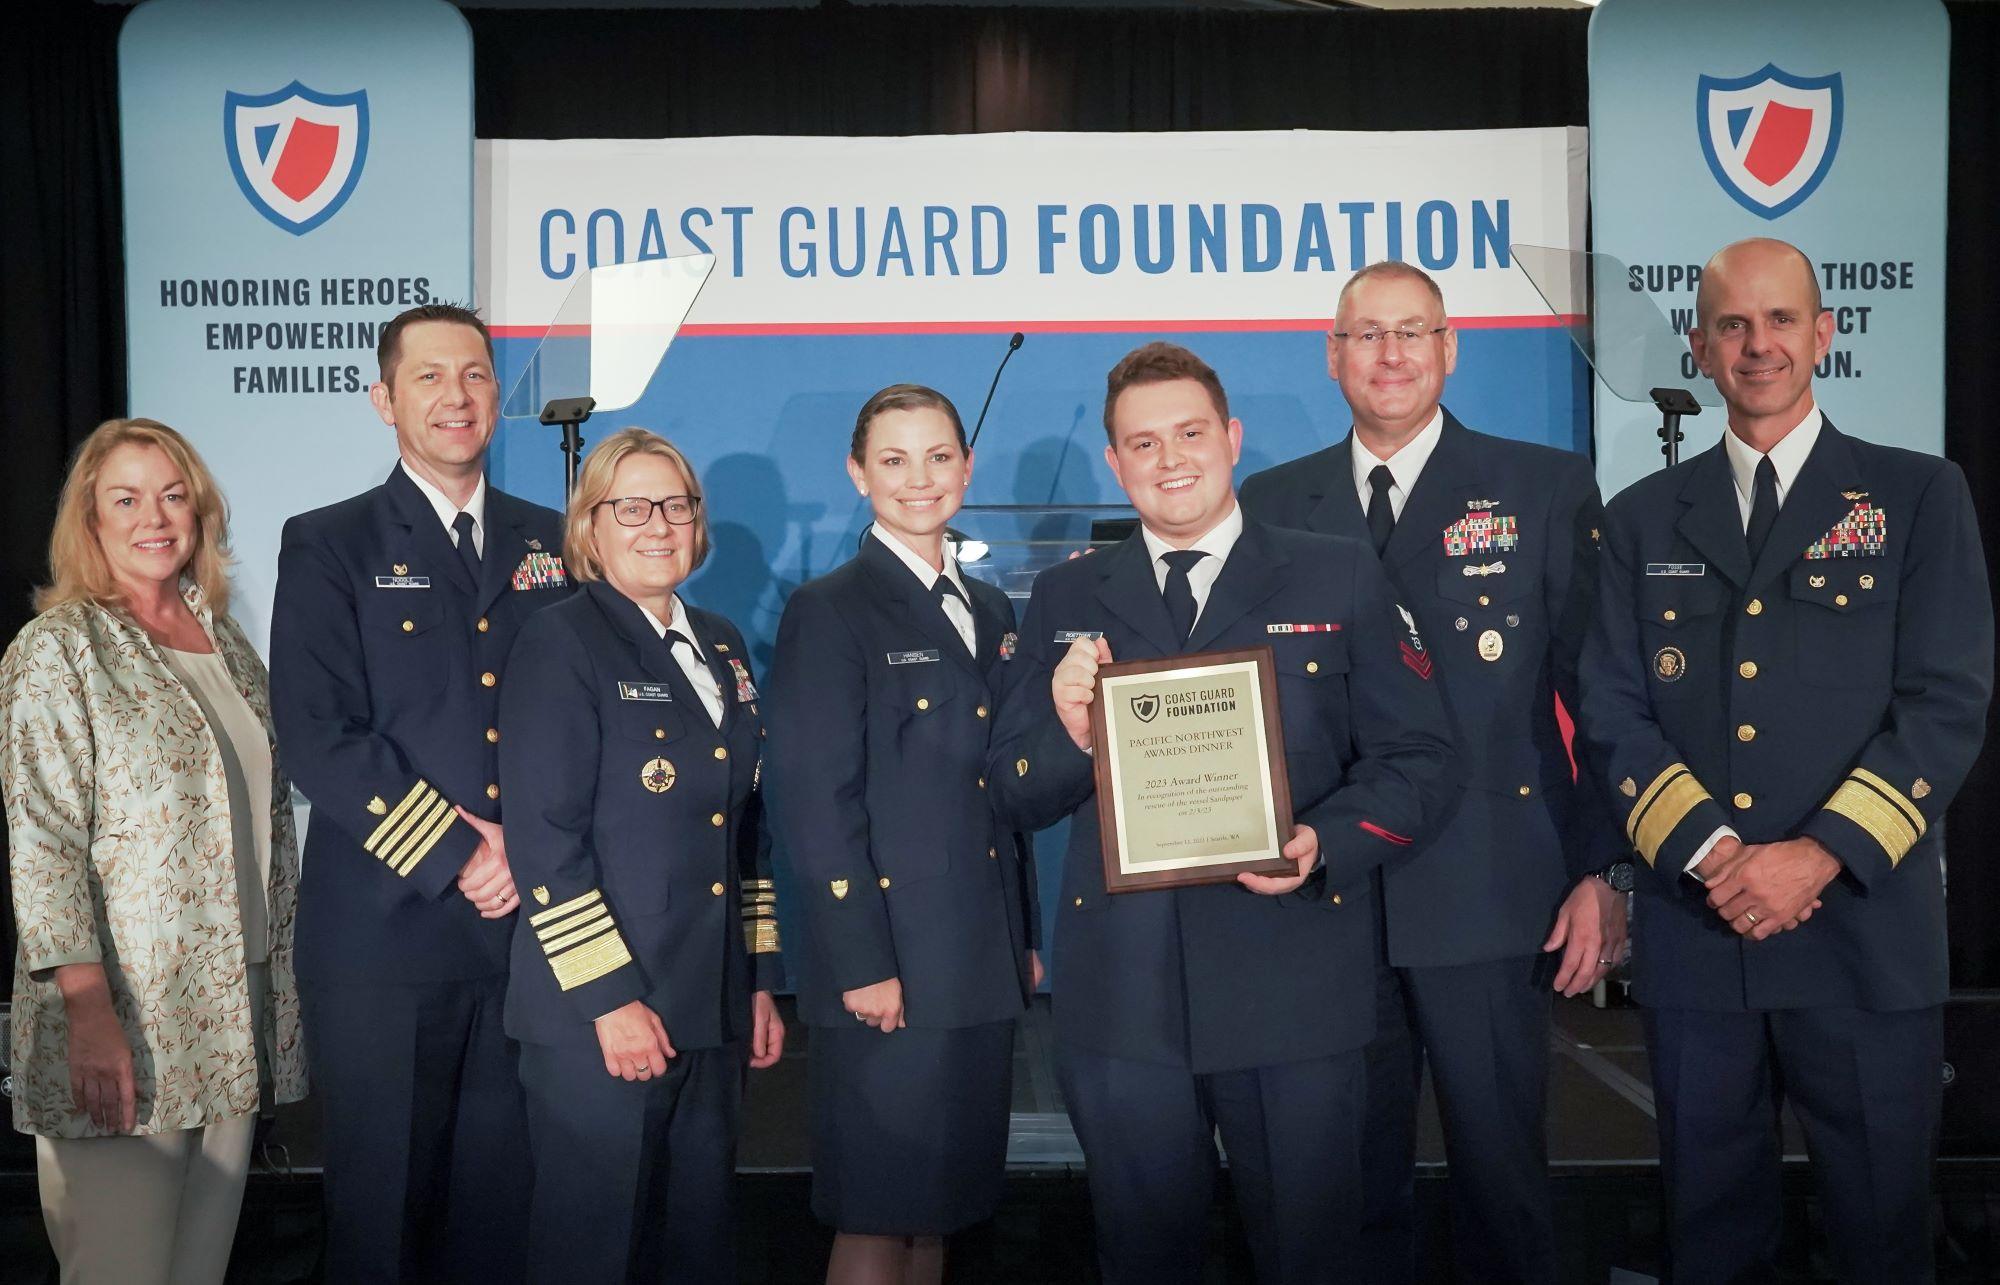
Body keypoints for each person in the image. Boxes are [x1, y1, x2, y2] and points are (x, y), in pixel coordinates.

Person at [986, 341, 1456, 1283]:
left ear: (1232, 438)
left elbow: (1420, 759)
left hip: (1295, 985)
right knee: (1143, 1258)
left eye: (1190, 433)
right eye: (1143, 443)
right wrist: (1073, 733)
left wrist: (1325, 841)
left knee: (1314, 1257)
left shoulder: (1335, 573)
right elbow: (1013, 788)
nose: (1170, 459)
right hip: (1127, 1004)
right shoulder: (1070, 594)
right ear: (1115, 463)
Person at [1578, 236, 1991, 1283]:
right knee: (1710, 1237)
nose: (1756, 343)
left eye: (1778, 320)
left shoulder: (1915, 496)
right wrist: (1717, 856)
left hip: (1860, 929)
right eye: (1732, 324)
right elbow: (1612, 708)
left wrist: (1814, 855)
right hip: (1700, 929)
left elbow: (1944, 704)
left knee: (1881, 1234)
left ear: (1822, 334)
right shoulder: (1639, 519)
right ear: (1700, 348)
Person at [1239, 260, 1623, 1283]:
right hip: (1326, 897)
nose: (1390, 354)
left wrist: (1604, 870)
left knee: (1503, 1187)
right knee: (1346, 1195)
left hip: (1488, 890)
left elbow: (1597, 697)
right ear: (1331, 356)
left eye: (1412, 331)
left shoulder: (1542, 487)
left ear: (1449, 348)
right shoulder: (1271, 503)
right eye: (1366, 334)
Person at [269, 303, 567, 1282]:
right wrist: (463, 850)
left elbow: (582, 723)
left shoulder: (554, 541)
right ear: (383, 399)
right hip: (384, 944)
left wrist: (530, 846)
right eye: (429, 376)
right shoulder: (329, 542)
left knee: (504, 1220)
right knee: (384, 1223)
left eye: (475, 374)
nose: (456, 396)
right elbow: (319, 737)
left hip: (527, 937)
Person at [2, 418, 307, 1284]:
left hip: (231, 1015)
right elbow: (44, 841)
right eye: (127, 499)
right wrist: (88, 1011)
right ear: (90, 520)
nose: (155, 517)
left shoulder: (230, 647)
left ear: (201, 512)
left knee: (198, 1269)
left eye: (174, 496)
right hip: (124, 1018)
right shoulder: (58, 648)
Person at [763, 385, 1041, 1285]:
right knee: (878, 1210)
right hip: (888, 964)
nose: (919, 478)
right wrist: (859, 962)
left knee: (940, 1210)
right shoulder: (831, 608)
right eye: (893, 459)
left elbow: (1002, 788)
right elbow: (816, 802)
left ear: (967, 465)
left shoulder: (991, 609)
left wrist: (1023, 935)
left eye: (937, 456)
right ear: (857, 473)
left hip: (977, 959)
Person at [499, 427, 785, 1282]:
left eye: (676, 505)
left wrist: (759, 978)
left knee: (695, 1249)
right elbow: (546, 842)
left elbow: (745, 829)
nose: (658, 525)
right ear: (590, 525)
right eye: (631, 507)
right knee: (594, 1253)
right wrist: (609, 999)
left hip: (710, 1003)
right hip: (602, 1015)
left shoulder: (723, 642)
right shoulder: (561, 640)